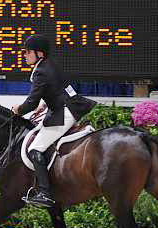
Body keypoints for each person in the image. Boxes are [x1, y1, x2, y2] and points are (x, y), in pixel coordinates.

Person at [12, 34, 96, 208]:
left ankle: (45, 193)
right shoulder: (50, 65)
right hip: (70, 105)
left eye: (27, 52)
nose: (24, 55)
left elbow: (30, 103)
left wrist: (18, 110)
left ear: (39, 54)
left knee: (35, 149)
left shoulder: (41, 71)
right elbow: (56, 89)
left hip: (65, 111)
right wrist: (45, 104)